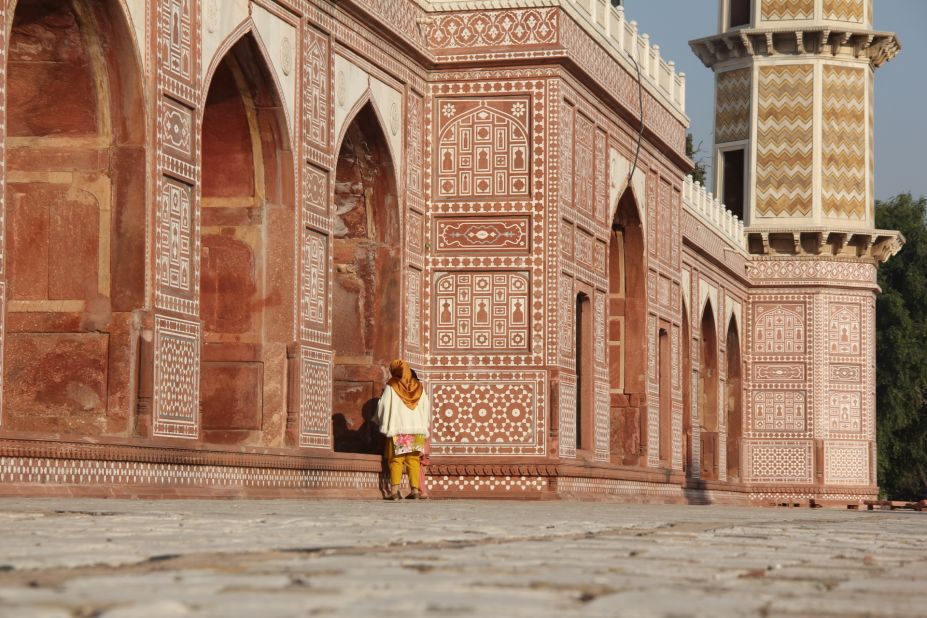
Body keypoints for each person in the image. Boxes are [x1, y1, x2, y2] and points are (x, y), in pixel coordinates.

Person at [375, 359, 432, 500]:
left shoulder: (392, 385)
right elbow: (426, 408)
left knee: (397, 460)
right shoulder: (419, 387)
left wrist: (382, 421)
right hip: (417, 428)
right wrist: (423, 425)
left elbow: (383, 405)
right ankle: (414, 491)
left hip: (399, 428)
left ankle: (394, 491)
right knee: (413, 460)